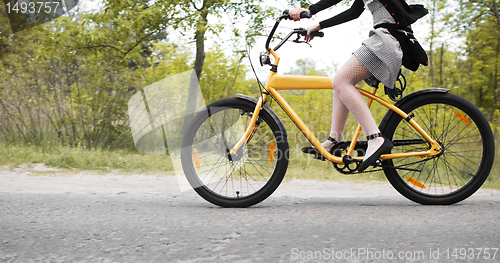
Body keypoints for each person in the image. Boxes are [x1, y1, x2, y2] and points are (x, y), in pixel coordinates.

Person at [289, 0, 404, 172]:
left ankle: (375, 138)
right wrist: (318, 25)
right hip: (386, 36)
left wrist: (311, 10)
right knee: (341, 83)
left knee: (341, 81)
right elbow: (354, 11)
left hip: (387, 38)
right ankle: (333, 140)